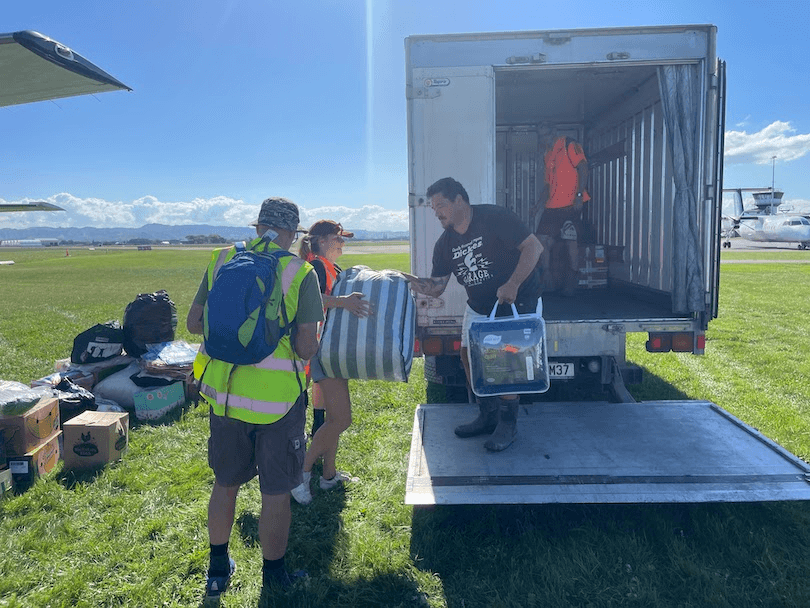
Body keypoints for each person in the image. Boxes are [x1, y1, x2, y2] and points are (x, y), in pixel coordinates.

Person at [187, 197, 324, 604]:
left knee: (225, 483)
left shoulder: (221, 259)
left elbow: (195, 323)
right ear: (293, 233)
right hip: (277, 403)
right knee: (276, 492)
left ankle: (216, 568)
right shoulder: (300, 272)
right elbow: (305, 348)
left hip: (224, 397)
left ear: (257, 225)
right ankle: (275, 575)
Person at [403, 177, 543, 452]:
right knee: (468, 357)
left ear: (459, 200)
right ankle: (487, 414)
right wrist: (412, 283)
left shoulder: (495, 218)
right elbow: (438, 287)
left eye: (440, 205)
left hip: (517, 300)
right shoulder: (445, 244)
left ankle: (508, 425)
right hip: (480, 306)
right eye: (433, 208)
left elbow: (534, 247)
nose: (437, 213)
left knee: (506, 360)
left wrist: (513, 283)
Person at [290, 220, 371, 505]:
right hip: (324, 351)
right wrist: (344, 301)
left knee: (334, 419)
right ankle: (301, 473)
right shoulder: (317, 267)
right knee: (342, 419)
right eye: (339, 238)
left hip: (330, 350)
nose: (343, 243)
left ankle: (328, 475)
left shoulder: (324, 266)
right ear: (323, 240)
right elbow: (312, 302)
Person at [532, 127, 590, 296]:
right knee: (541, 240)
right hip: (552, 206)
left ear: (553, 133)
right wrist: (537, 206)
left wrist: (579, 195)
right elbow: (547, 185)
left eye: (546, 135)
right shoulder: (547, 155)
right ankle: (547, 278)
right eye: (541, 137)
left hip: (570, 205)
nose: (544, 139)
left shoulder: (568, 144)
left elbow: (583, 167)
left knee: (570, 240)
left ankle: (572, 283)